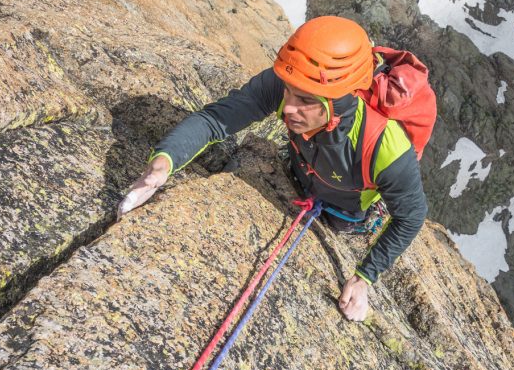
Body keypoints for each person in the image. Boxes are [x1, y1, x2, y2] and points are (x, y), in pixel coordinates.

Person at [117, 16, 429, 322]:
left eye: (304, 99)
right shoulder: (289, 84)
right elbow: (215, 120)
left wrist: (363, 279)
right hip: (300, 168)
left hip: (346, 210)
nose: (288, 106)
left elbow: (411, 217)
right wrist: (161, 166)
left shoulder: (386, 149)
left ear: (340, 101)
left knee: (342, 221)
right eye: (289, 91)